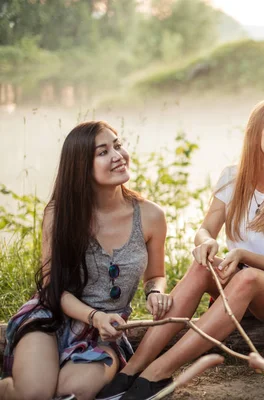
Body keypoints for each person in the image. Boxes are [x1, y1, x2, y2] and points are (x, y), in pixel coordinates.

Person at [98, 97, 264, 400]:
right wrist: (207, 243)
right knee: (203, 266)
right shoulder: (232, 177)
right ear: (255, 132)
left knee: (248, 277)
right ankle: (131, 370)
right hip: (241, 282)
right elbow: (204, 230)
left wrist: (242, 255)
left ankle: (158, 374)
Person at [0, 121, 171, 400]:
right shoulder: (60, 215)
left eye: (117, 145)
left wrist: (155, 292)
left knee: (72, 391)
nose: (118, 155)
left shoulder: (151, 216)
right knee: (33, 393)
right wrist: (94, 315)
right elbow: (52, 288)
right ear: (81, 167)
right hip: (52, 317)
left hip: (105, 335)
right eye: (102, 152)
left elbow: (156, 275)